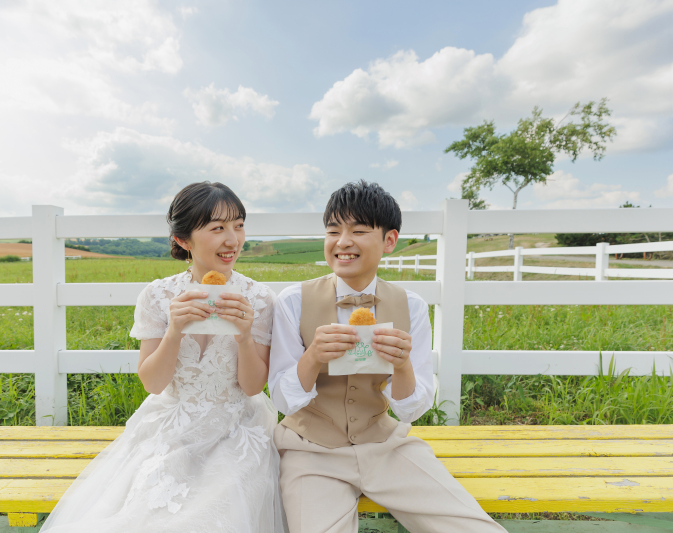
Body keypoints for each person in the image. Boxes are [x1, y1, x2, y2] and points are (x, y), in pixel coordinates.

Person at [40, 181, 287, 533]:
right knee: (143, 513)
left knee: (218, 515)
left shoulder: (259, 298)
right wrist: (174, 330)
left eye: (239, 225)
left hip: (236, 427)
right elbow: (154, 384)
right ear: (183, 240)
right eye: (218, 228)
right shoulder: (157, 296)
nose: (233, 240)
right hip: (171, 426)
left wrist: (244, 336)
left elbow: (251, 387)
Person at [268, 181, 505, 533]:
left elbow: (411, 409)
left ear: (389, 241)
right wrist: (313, 356)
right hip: (310, 452)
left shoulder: (411, 306)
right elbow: (282, 399)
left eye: (359, 231)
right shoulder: (292, 301)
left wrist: (402, 364)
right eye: (333, 230)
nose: (343, 241)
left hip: (387, 446)